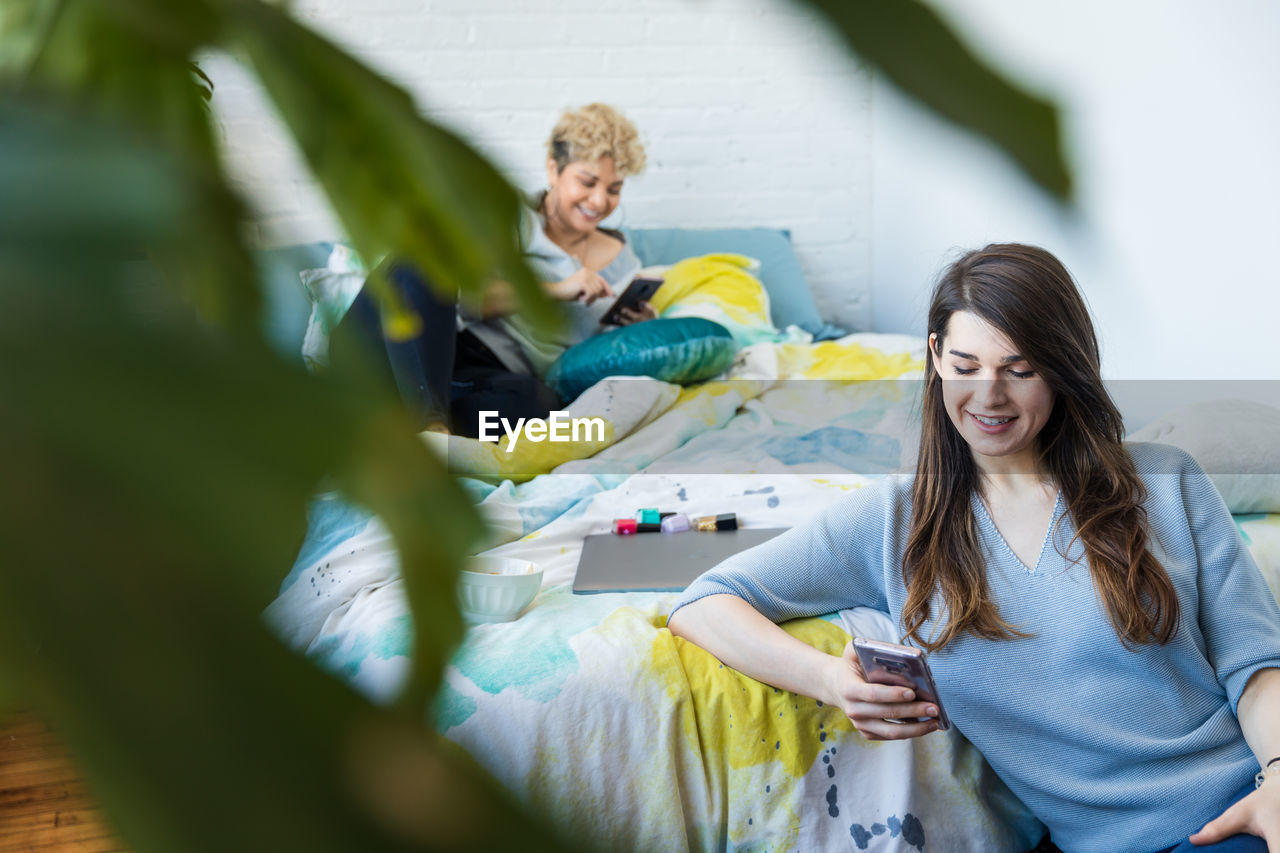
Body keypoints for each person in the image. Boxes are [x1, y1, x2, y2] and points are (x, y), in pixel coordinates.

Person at [666, 244, 1280, 853]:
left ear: (1064, 369)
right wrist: (829, 678)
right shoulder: (893, 519)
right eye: (965, 366)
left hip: (1244, 809)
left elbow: (1255, 666)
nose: (989, 396)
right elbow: (705, 601)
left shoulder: (1166, 482)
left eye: (1020, 370)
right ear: (935, 357)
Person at [337, 102, 656, 437]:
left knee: (539, 407)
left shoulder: (625, 262)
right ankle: (429, 425)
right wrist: (558, 290)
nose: (599, 201)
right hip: (431, 343)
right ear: (553, 170)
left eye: (614, 189)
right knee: (424, 259)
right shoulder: (509, 218)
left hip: (490, 381)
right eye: (587, 182)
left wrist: (635, 332)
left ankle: (403, 420)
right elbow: (465, 298)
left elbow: (594, 356)